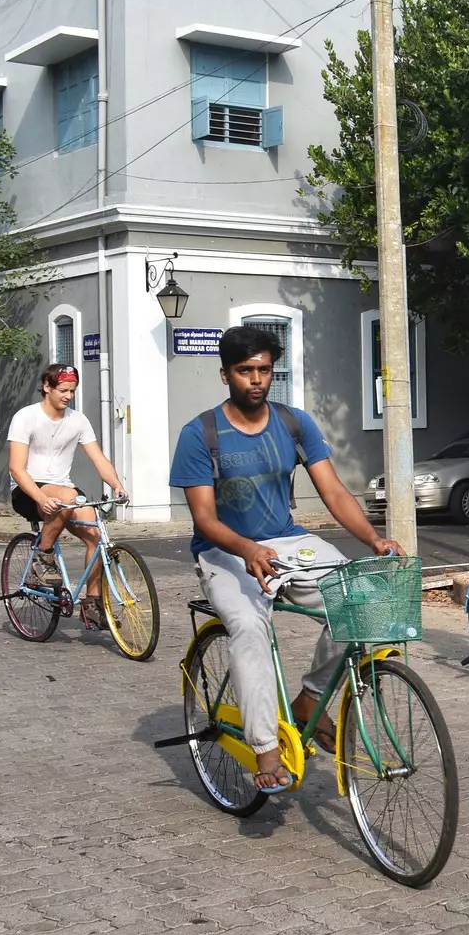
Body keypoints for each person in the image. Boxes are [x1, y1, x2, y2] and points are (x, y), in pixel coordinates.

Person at [168, 325, 400, 794]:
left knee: (363, 598)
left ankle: (309, 703)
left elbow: (333, 491)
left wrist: (373, 538)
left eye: (264, 370)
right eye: (244, 371)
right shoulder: (201, 434)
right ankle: (264, 747)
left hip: (288, 541)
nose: (255, 379)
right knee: (252, 628)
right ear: (225, 375)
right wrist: (248, 549)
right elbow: (204, 519)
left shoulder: (294, 422)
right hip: (224, 551)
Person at [7, 364, 126, 621]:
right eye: (63, 390)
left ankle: (92, 604)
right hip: (27, 489)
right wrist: (41, 498)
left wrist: (116, 484)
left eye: (72, 391)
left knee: (95, 533)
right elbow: (16, 468)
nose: (68, 396)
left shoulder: (78, 420)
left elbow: (98, 459)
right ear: (47, 387)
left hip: (63, 489)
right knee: (66, 497)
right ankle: (43, 555)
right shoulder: (26, 417)